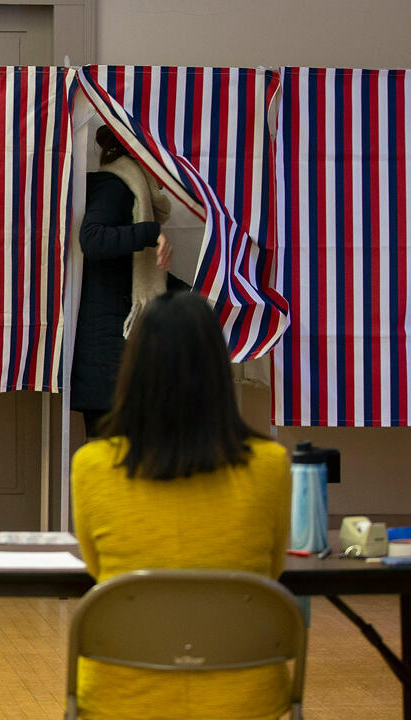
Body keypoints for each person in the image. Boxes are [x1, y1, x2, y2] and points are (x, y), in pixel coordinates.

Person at [71, 290, 291, 720]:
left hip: (121, 693)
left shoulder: (93, 465)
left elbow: (100, 572)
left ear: (134, 371)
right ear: (217, 370)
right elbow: (272, 570)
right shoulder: (270, 465)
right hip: (245, 696)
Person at [72, 125, 176, 437]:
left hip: (115, 352)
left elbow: (134, 275)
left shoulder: (131, 190)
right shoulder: (115, 185)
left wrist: (197, 294)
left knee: (119, 470)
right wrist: (149, 232)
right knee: (117, 469)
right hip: (108, 357)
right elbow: (92, 239)